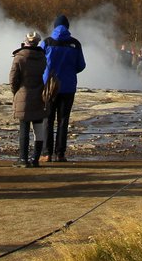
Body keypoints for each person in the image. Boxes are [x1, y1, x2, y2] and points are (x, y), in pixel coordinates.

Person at [42, 13, 86, 163]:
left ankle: (47, 153)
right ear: (68, 27)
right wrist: (69, 72)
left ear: (54, 26)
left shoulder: (46, 42)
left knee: (48, 119)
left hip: (49, 86)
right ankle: (60, 154)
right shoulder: (75, 44)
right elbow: (81, 65)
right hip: (68, 87)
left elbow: (40, 63)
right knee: (63, 120)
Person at [9, 31, 46, 167]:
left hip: (23, 93)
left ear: (26, 41)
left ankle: (23, 159)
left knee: (24, 128)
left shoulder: (19, 57)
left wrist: (16, 92)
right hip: (38, 94)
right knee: (38, 128)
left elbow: (13, 78)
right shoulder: (42, 57)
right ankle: (35, 158)